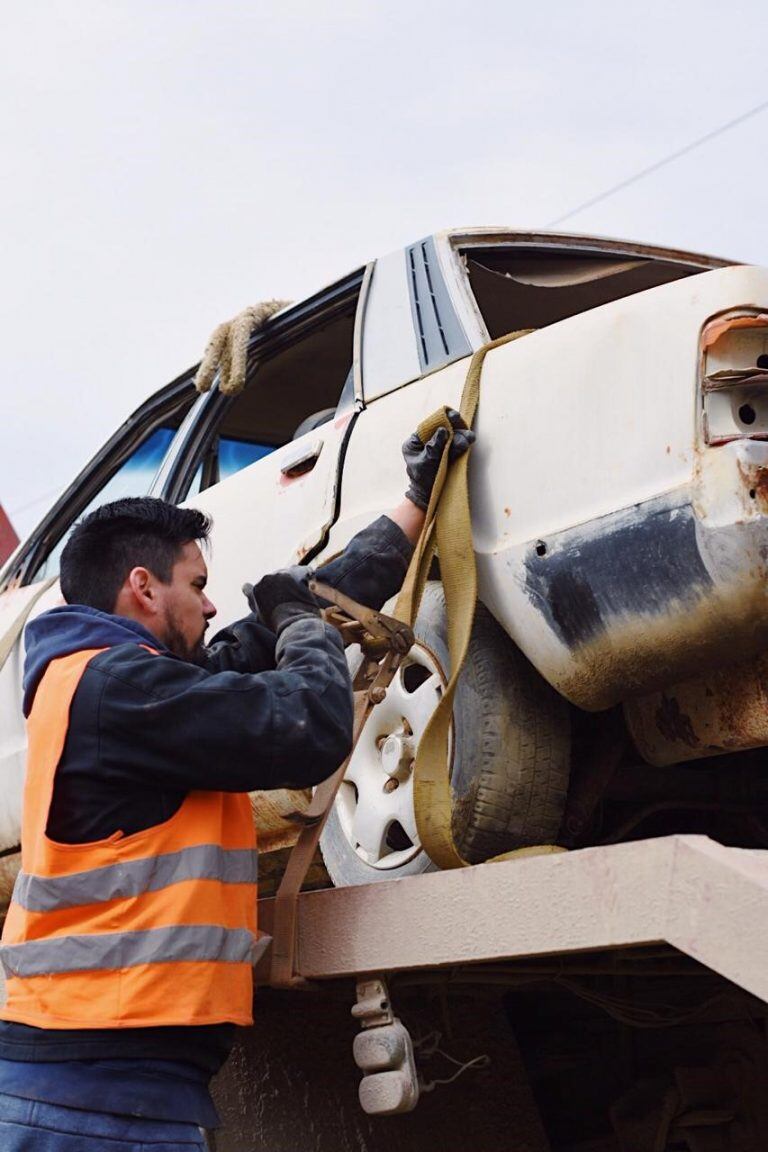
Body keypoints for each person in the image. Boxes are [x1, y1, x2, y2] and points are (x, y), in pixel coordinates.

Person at [0, 414, 473, 1151]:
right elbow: (309, 725)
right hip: (93, 1095)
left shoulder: (110, 680)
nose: (213, 603)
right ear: (143, 589)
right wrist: (300, 625)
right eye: (197, 584)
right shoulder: (114, 692)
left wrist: (412, 504)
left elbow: (258, 642)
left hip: (108, 1079)